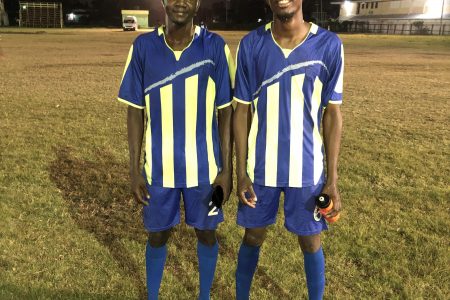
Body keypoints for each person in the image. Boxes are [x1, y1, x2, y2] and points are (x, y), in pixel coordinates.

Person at [117, 0, 234, 299]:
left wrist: (226, 170)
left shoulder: (216, 47)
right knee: (157, 236)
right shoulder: (143, 47)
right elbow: (134, 111)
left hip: (204, 169)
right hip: (159, 168)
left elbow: (226, 112)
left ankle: (204, 295)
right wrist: (133, 170)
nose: (181, 1)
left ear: (196, 3)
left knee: (207, 234)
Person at [233, 0, 344, 299]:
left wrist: (332, 180)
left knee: (310, 241)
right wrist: (240, 172)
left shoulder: (329, 45)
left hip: (306, 168)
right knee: (253, 236)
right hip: (261, 167)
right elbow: (241, 111)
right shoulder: (251, 44)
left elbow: (332, 113)